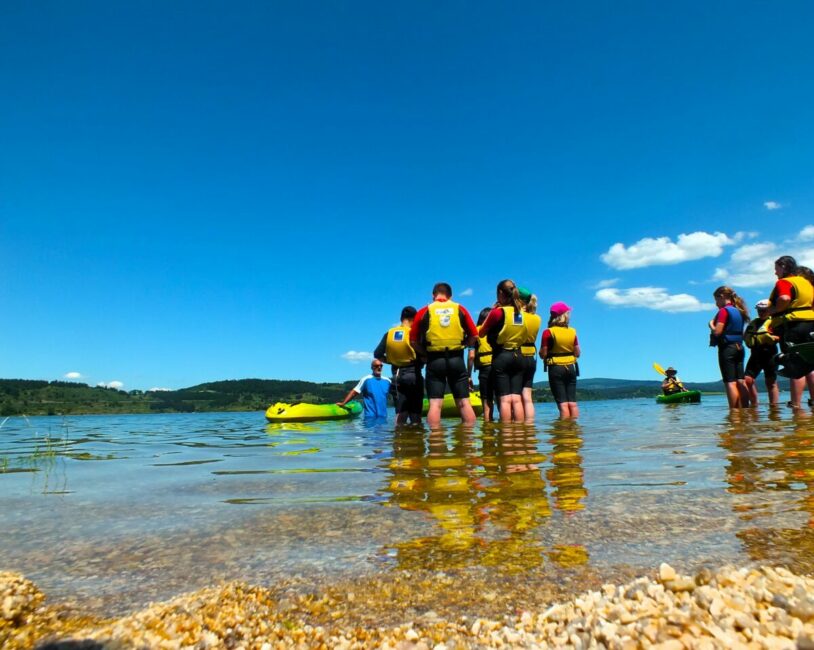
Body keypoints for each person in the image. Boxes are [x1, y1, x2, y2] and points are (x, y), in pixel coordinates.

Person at [410, 282, 479, 427]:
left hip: (435, 361)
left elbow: (413, 342)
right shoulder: (460, 309)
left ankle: (436, 444)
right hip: (456, 359)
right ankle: (468, 441)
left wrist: (425, 354)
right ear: (450, 296)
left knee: (435, 405)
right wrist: (464, 344)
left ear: (433, 295)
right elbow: (474, 335)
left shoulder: (423, 311)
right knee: (464, 402)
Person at [767, 256, 814, 409]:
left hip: (793, 325)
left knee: (795, 365)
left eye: (776, 269)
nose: (775, 273)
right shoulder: (806, 283)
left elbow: (785, 298)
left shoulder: (784, 282)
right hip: (810, 324)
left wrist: (774, 309)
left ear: (784, 266)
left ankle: (796, 405)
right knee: (809, 364)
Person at [477, 279, 527, 423]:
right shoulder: (523, 314)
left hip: (502, 356)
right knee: (516, 398)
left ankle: (506, 435)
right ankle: (520, 434)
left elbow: (482, 333)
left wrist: (493, 310)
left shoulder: (498, 312)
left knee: (504, 399)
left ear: (500, 293)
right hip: (519, 355)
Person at [374, 306, 424, 424]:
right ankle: (416, 439)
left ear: (401, 318)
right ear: (414, 318)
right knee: (415, 412)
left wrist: (391, 361)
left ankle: (399, 440)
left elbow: (377, 354)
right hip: (414, 374)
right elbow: (424, 355)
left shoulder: (389, 334)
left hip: (397, 375)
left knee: (400, 411)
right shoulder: (415, 333)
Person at [708, 286, 750, 408]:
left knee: (730, 382)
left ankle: (734, 413)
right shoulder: (740, 311)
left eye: (716, 300)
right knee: (740, 380)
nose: (716, 304)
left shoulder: (723, 311)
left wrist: (711, 325)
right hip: (739, 348)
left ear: (721, 297)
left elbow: (718, 332)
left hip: (728, 349)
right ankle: (745, 410)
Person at [540, 302, 580, 419]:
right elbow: (577, 353)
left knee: (562, 404)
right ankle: (574, 429)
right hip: (571, 368)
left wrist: (541, 353)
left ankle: (564, 432)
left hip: (556, 368)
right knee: (572, 403)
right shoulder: (572, 331)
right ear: (564, 315)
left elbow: (543, 354)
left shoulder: (548, 332)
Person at [743, 299, 780, 406]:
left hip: (770, 354)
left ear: (769, 310)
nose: (761, 312)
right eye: (759, 310)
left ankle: (774, 407)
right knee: (747, 380)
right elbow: (747, 338)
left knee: (770, 382)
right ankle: (754, 404)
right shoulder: (754, 323)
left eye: (764, 310)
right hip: (756, 355)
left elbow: (780, 337)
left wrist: (772, 338)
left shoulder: (774, 322)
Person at [467, 307, 495, 422]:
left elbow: (471, 356)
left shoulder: (476, 332)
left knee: (486, 399)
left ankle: (488, 428)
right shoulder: (497, 330)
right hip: (500, 366)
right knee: (503, 399)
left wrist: (468, 375)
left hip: (485, 368)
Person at [519, 287, 541, 422]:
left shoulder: (516, 316)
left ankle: (519, 429)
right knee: (527, 396)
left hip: (517, 354)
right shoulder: (536, 318)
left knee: (515, 396)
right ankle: (530, 427)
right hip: (532, 356)